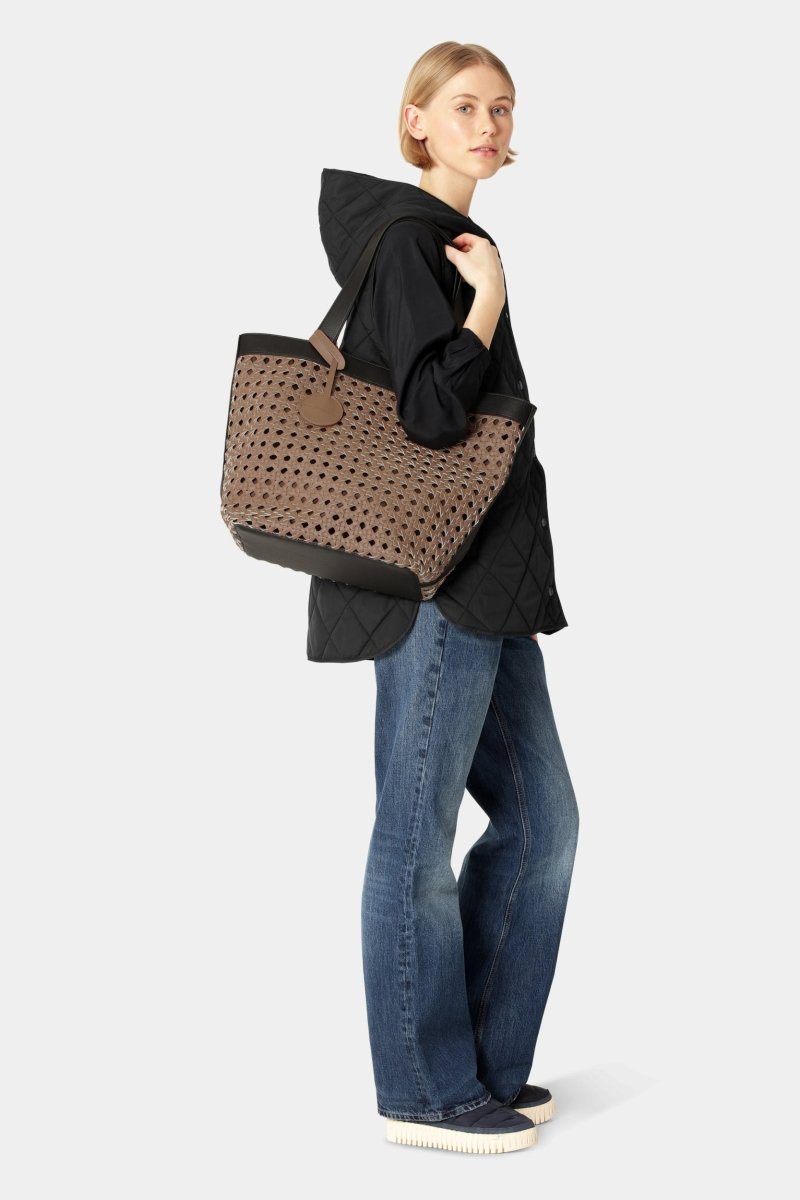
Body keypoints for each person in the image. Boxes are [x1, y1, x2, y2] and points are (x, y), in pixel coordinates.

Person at [310, 42, 579, 1155]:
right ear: (415, 121)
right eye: (463, 106)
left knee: (543, 823)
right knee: (415, 840)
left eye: (501, 108)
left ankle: (482, 1067)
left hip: (487, 581)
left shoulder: (449, 244)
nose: (487, 125)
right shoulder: (413, 243)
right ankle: (423, 1092)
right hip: (433, 584)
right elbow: (430, 415)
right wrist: (487, 304)